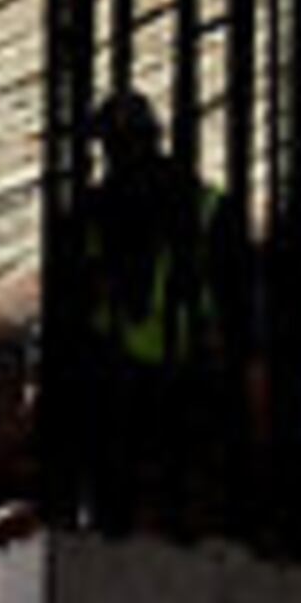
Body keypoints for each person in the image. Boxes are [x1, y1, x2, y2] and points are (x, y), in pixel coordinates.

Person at [63, 87, 239, 535]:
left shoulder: (202, 208)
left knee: (169, 496)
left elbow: (238, 303)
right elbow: (70, 301)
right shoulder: (96, 213)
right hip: (133, 374)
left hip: (181, 375)